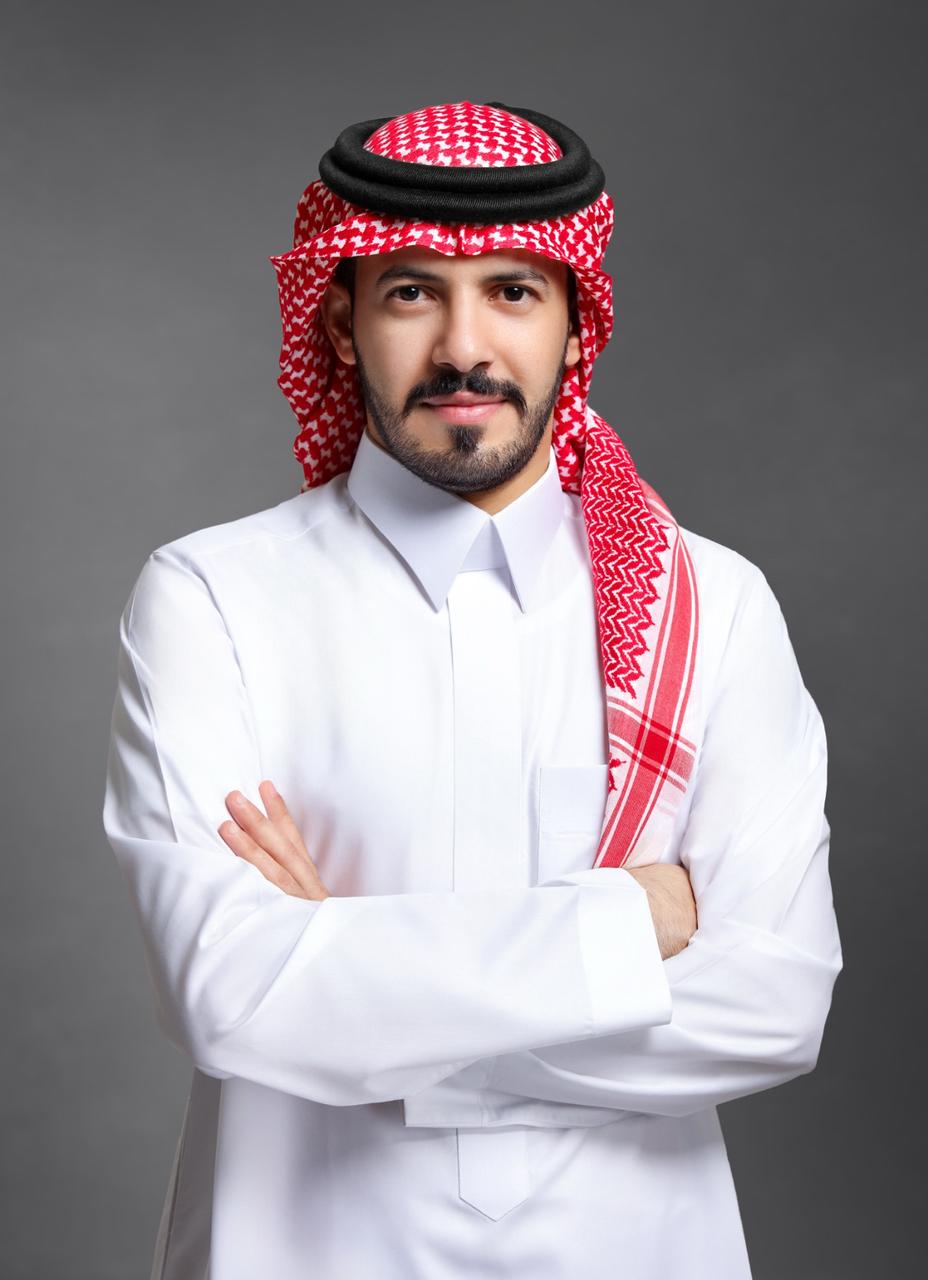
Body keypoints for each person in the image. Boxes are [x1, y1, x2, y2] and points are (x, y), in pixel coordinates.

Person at [102, 101, 843, 1280]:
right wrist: (621, 926)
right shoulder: (210, 597)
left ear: (571, 322)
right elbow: (230, 996)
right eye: (410, 293)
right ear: (339, 324)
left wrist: (346, 976)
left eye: (511, 290)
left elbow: (774, 1000)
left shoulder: (715, 604)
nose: (463, 347)